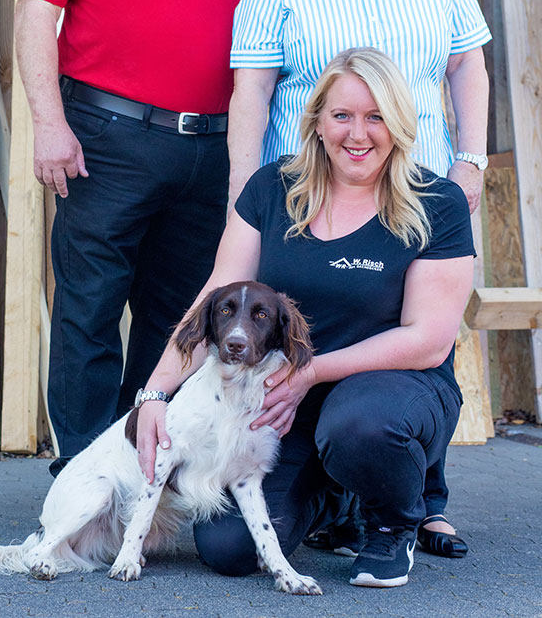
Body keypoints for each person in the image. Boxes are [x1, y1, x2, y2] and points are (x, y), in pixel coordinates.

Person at [226, 0, 491, 556]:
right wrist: (246, 196)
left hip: (418, 187)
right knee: (327, 323)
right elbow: (252, 86)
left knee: (423, 335)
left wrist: (470, 159)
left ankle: (420, 497)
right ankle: (319, 489)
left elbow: (467, 61)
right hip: (313, 192)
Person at [11, 0, 275, 476]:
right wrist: (49, 123)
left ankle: (142, 475)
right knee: (90, 313)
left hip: (213, 149)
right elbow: (36, 11)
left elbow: (283, 6)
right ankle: (86, 480)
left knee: (180, 319)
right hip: (107, 137)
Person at [136, 48, 476, 588]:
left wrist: (310, 372)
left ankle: (390, 522)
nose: (357, 134)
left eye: (376, 116)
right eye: (341, 115)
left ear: (400, 124)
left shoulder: (438, 204)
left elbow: (428, 340)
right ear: (317, 121)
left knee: (359, 426)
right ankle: (332, 502)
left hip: (390, 395)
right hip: (276, 405)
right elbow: (215, 300)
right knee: (228, 549)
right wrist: (156, 393)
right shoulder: (273, 189)